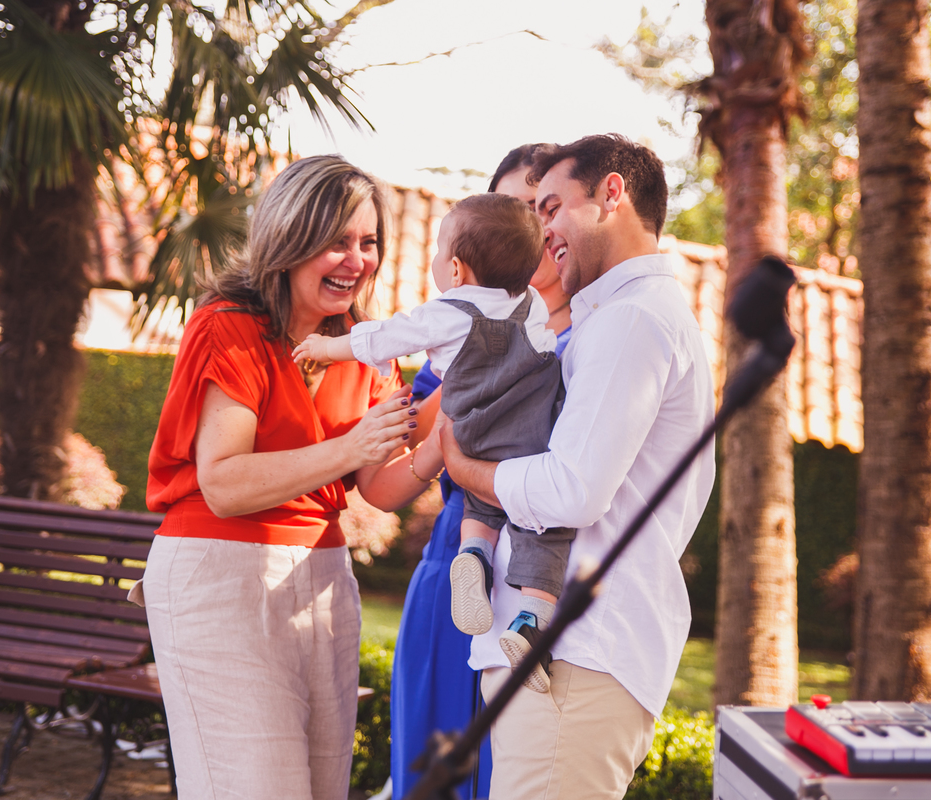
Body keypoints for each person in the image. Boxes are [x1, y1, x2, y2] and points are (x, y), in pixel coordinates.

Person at [136, 155, 445, 800]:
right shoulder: (231, 326)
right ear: (290, 238)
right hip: (221, 576)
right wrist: (349, 448)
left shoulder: (366, 346)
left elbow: (379, 486)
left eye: (368, 244)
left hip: (325, 583)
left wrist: (456, 402)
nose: (356, 261)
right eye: (337, 241)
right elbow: (222, 483)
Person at [443, 134, 716, 800]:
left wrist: (464, 465)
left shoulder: (630, 322)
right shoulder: (619, 319)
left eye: (553, 206)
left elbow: (572, 493)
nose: (541, 230)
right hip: (562, 662)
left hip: (574, 663)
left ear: (613, 194)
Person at [292, 192, 574, 694]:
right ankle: (531, 620)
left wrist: (326, 348)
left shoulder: (449, 309)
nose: (435, 260)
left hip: (473, 431)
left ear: (459, 270)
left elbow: (381, 337)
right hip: (533, 434)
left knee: (478, 499)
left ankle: (472, 556)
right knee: (543, 527)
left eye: (440, 250)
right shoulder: (530, 304)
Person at [386, 144, 571, 800]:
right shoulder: (452, 346)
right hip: (455, 565)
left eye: (537, 212)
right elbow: (392, 474)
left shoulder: (586, 338)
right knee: (430, 771)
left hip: (541, 587)